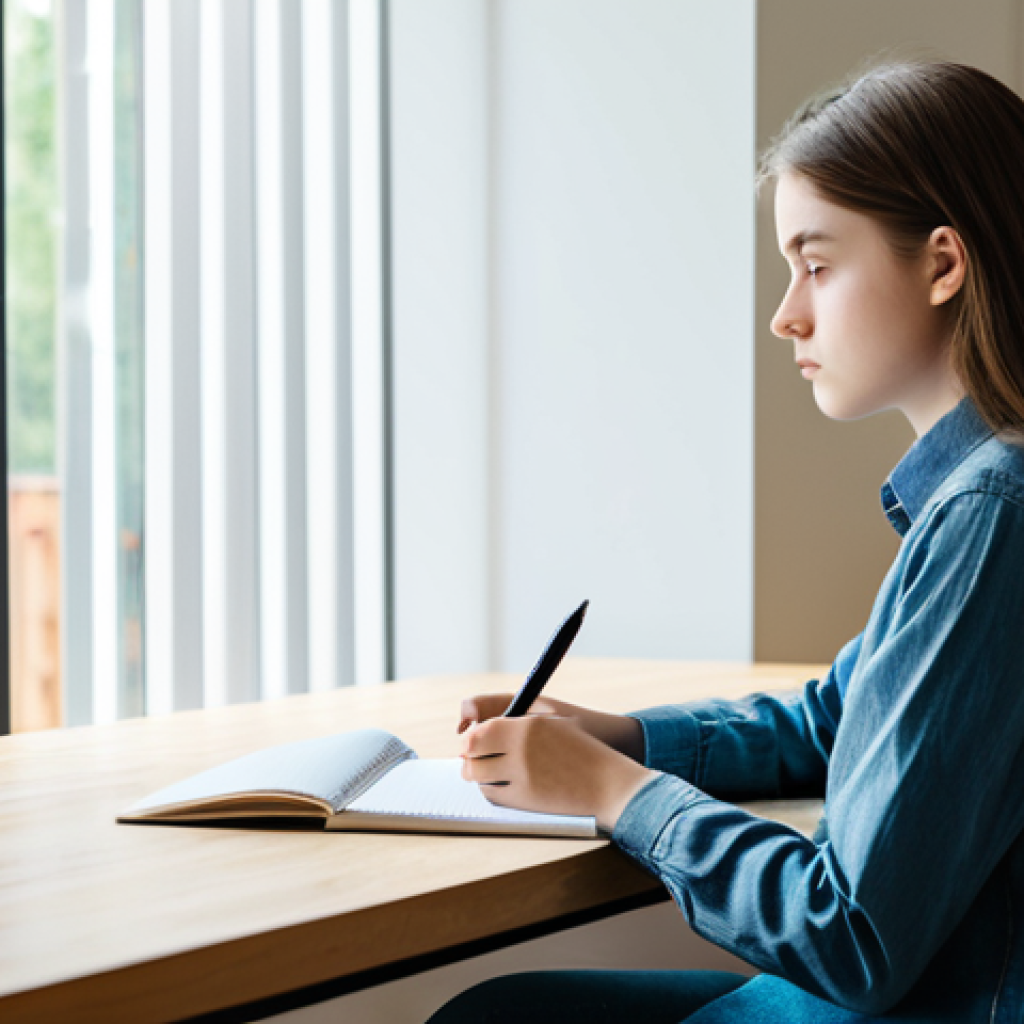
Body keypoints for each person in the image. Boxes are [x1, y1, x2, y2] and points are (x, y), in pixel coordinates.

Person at [426, 60, 1024, 1023]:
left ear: (944, 264)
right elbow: (839, 717)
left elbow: (851, 936)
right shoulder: (978, 497)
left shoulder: (992, 514)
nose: (786, 313)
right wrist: (622, 737)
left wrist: (619, 791)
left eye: (818, 265)